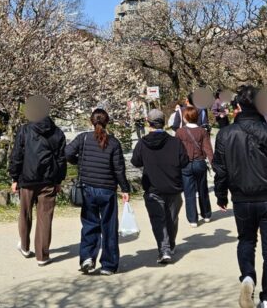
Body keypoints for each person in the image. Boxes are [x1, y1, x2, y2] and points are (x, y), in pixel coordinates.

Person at [213, 85, 267, 308]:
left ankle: (247, 276)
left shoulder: (225, 134)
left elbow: (220, 169)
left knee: (246, 241)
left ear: (237, 107)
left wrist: (221, 194)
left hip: (242, 198)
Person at [67, 108, 132, 275]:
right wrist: (125, 189)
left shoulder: (83, 138)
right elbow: (119, 170)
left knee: (89, 224)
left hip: (88, 188)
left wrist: (78, 161)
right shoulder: (114, 143)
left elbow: (66, 153)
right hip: (107, 189)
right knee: (109, 227)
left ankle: (87, 257)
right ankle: (108, 265)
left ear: (91, 121)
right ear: (107, 121)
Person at [9, 95, 67, 266]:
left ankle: (25, 247)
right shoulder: (57, 133)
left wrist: (14, 177)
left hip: (27, 179)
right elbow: (61, 160)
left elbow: (17, 156)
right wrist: (58, 181)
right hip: (48, 180)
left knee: (25, 214)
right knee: (45, 217)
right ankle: (42, 255)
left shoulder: (24, 130)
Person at [131, 109, 189, 264]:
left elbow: (135, 161)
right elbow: (184, 161)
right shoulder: (175, 142)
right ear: (163, 123)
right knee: (171, 218)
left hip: (153, 186)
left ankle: (164, 249)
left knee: (158, 219)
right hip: (173, 185)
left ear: (148, 123)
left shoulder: (143, 143)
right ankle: (169, 245)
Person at [177, 106, 214, 228]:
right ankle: (206, 214)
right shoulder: (202, 131)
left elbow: (176, 150)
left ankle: (193, 219)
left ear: (185, 117)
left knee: (189, 192)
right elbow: (208, 148)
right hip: (200, 162)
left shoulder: (180, 132)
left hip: (186, 164)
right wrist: (213, 163)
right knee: (202, 189)